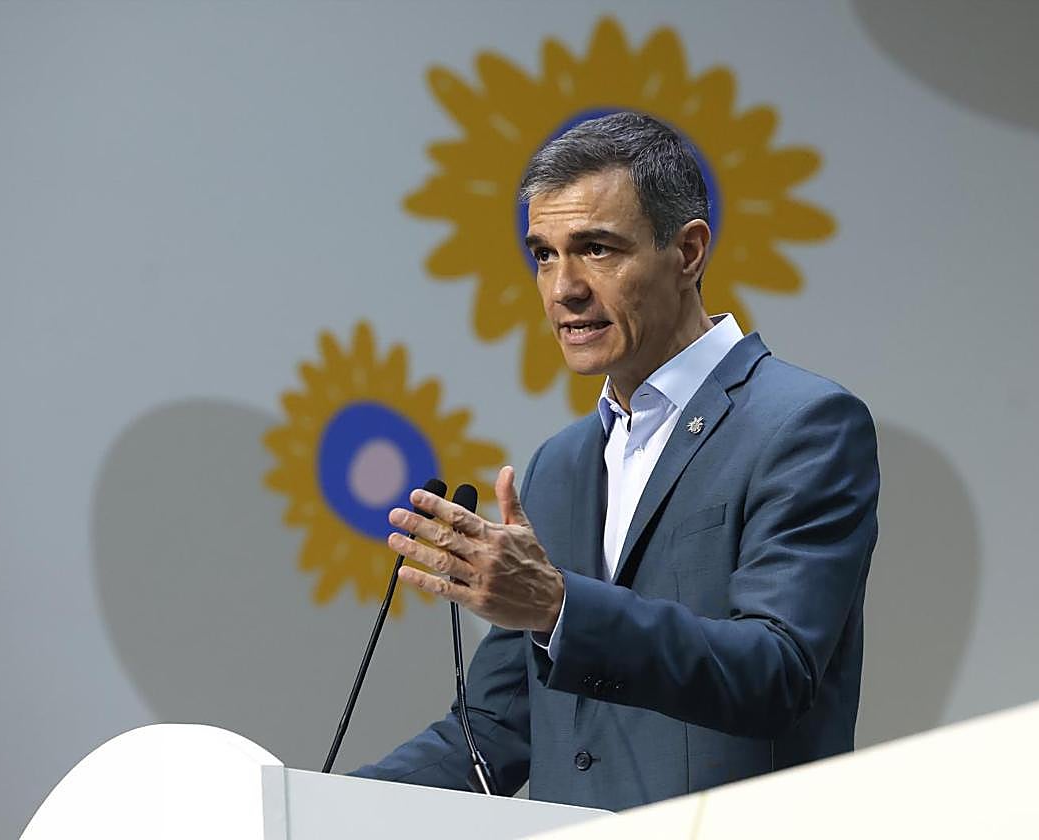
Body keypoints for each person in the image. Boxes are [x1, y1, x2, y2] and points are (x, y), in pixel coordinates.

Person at [351, 111, 880, 811]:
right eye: (544, 255)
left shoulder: (802, 423)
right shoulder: (559, 466)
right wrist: (301, 806)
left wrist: (561, 606)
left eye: (596, 249)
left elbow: (778, 671)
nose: (562, 288)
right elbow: (496, 730)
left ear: (688, 252)